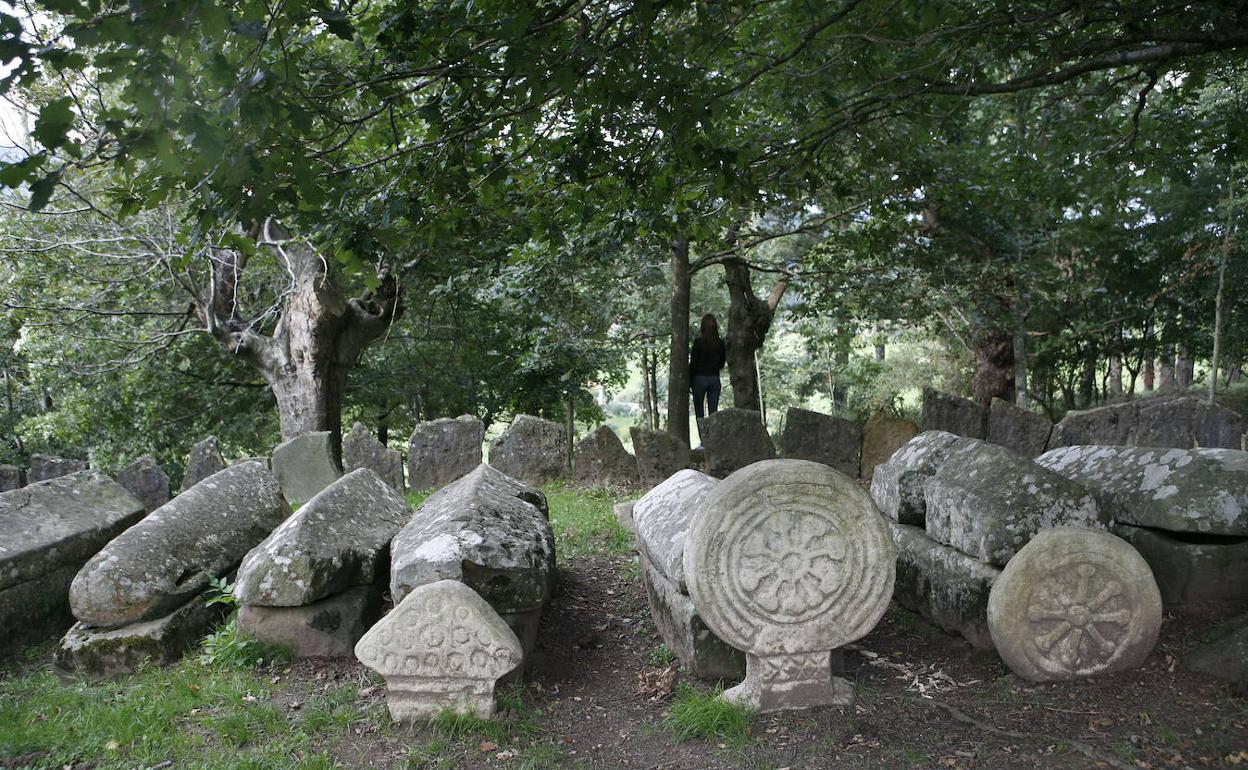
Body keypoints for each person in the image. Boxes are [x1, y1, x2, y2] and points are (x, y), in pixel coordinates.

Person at [689, 313, 726, 419]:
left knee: (699, 412)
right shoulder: (720, 343)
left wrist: (690, 382)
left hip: (699, 379)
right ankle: (713, 434)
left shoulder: (698, 343)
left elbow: (693, 363)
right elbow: (722, 362)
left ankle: (702, 434)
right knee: (713, 412)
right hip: (714, 378)